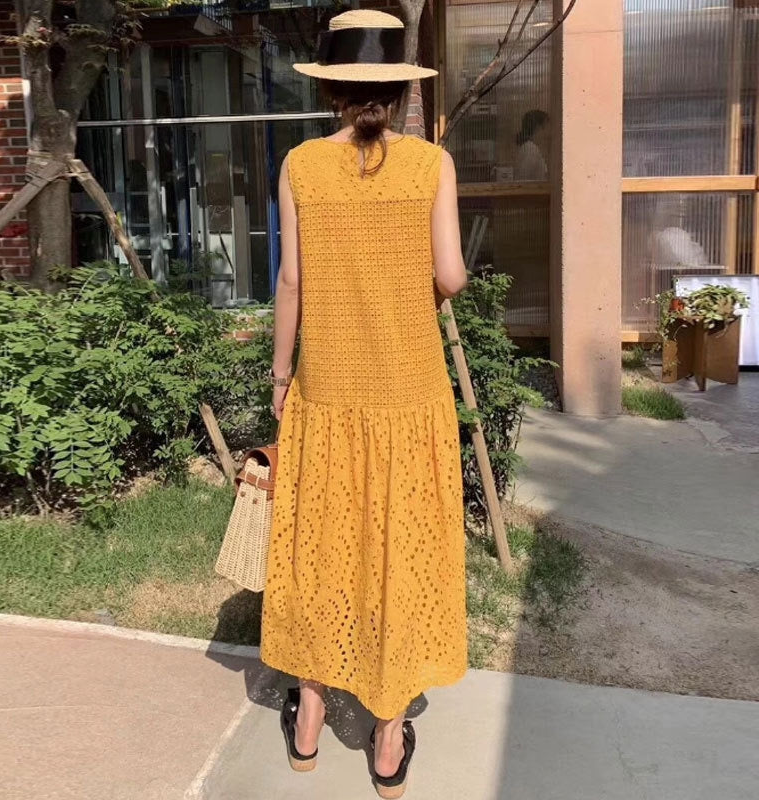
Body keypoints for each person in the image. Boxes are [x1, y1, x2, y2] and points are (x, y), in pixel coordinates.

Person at [259, 9, 468, 798]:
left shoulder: (301, 165)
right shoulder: (432, 165)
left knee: (322, 548)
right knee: (402, 551)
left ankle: (309, 720)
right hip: (410, 393)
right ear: (399, 92)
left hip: (328, 392)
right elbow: (450, 277)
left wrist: (280, 376)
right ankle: (386, 740)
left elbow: (291, 281)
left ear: (333, 91)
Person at [513, 109, 550, 181]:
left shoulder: (529, 147)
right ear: (538, 127)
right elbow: (523, 180)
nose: (548, 133)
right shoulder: (531, 150)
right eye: (546, 127)